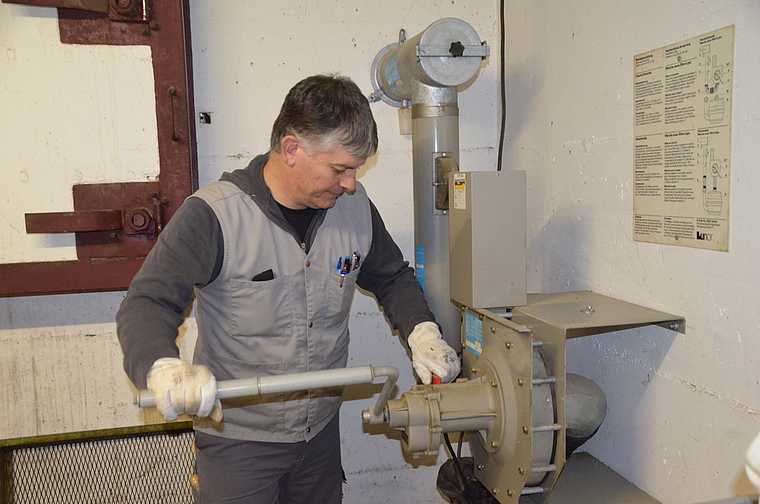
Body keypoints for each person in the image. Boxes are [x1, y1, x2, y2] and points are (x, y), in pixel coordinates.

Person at [116, 74, 460, 504]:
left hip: (318, 434)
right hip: (237, 439)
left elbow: (391, 277)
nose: (351, 183)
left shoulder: (353, 208)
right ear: (293, 149)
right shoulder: (214, 216)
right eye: (341, 169)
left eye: (356, 169)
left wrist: (421, 330)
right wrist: (161, 367)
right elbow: (147, 302)